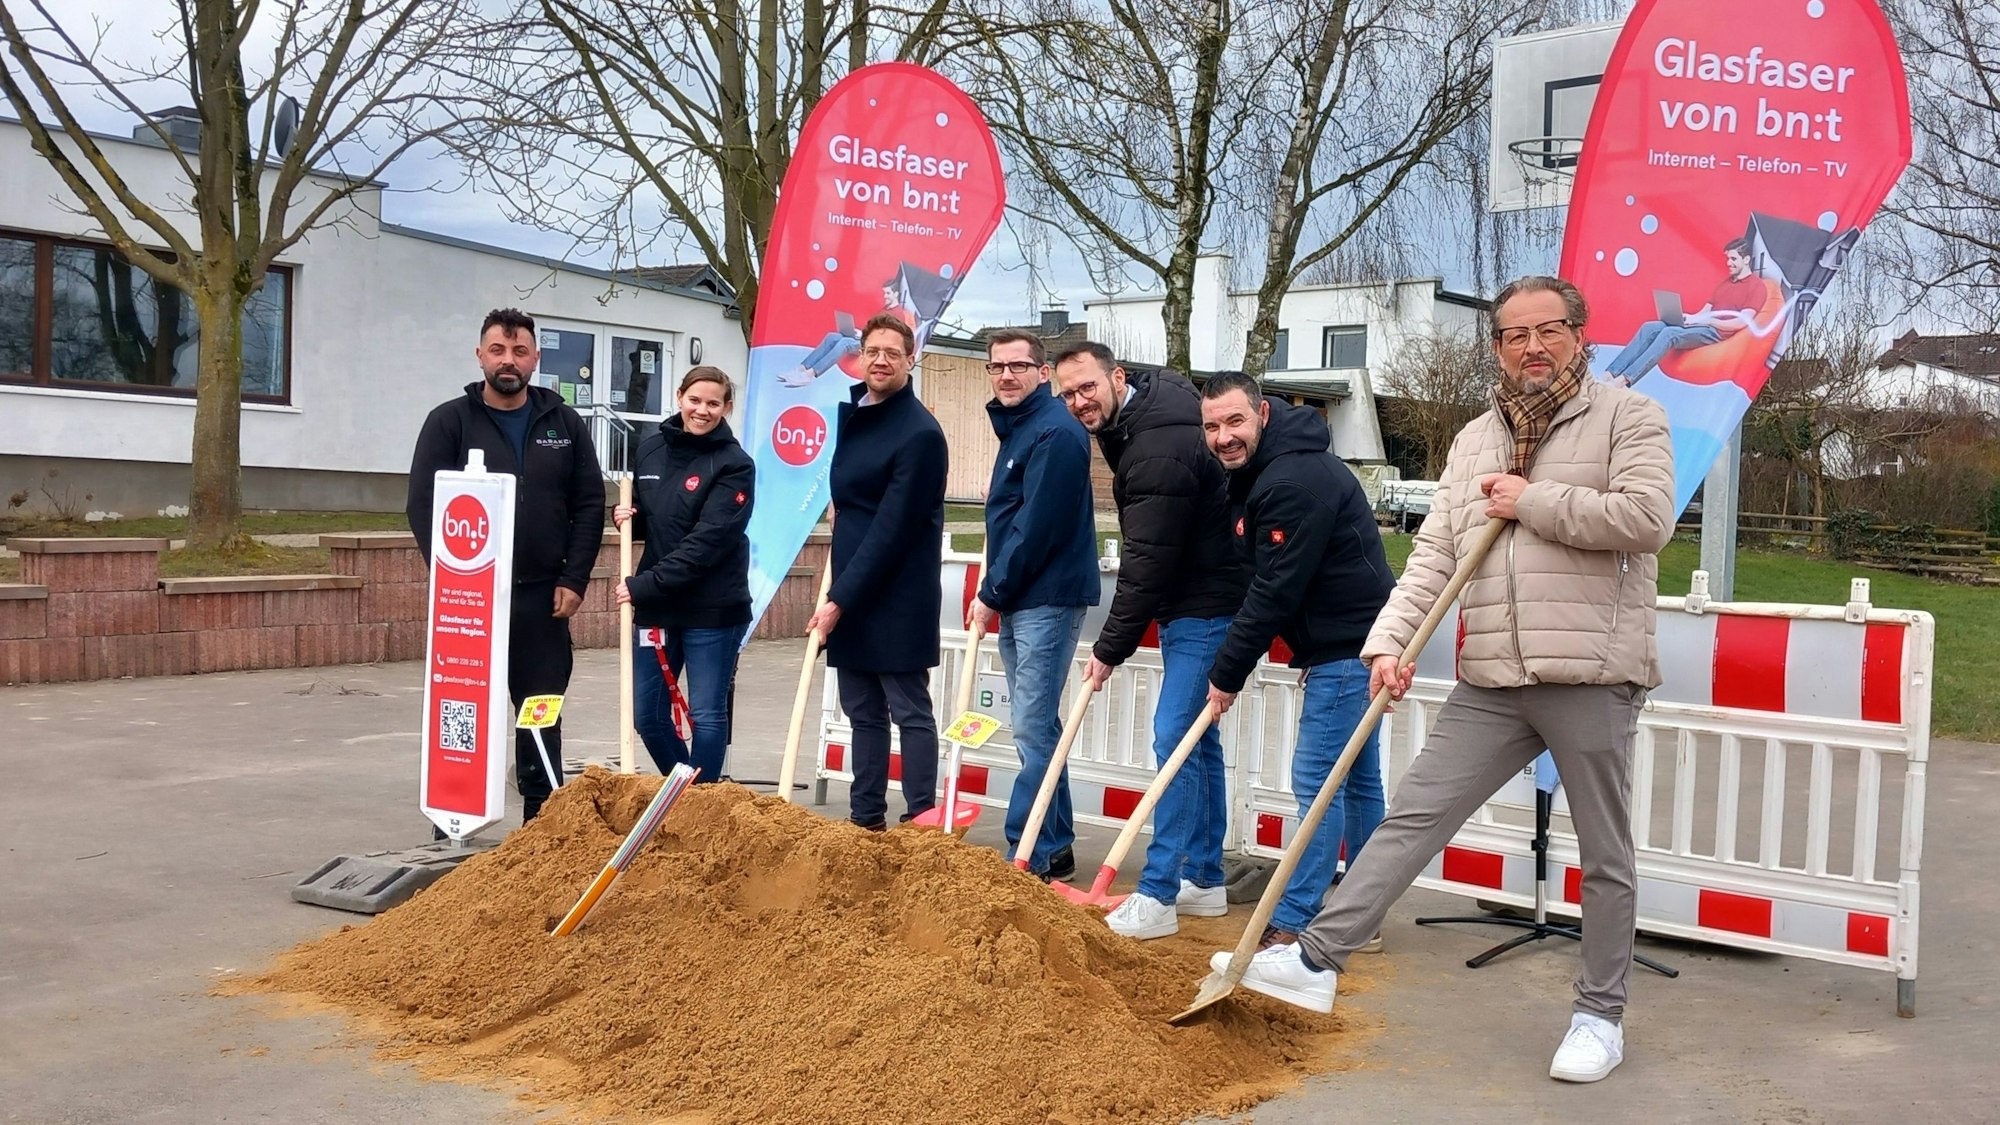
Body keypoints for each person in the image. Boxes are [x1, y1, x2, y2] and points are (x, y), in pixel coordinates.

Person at [1215, 276, 1675, 1086]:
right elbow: (1435, 554)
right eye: (1514, 335)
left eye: (1549, 330)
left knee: (1604, 853)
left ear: (1579, 332)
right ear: (1495, 347)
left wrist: (1534, 499)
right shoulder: (1472, 440)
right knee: (1412, 818)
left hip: (1591, 671)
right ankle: (1320, 958)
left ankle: (1599, 1016)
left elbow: (1646, 519)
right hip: (1492, 671)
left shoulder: (1628, 416)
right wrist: (1387, 642)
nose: (1532, 347)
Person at [1195, 371, 1396, 951]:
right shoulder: (1271, 469)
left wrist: (1226, 674)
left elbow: (1273, 589)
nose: (1223, 437)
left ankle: (1295, 918)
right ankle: (1362, 915)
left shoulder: (1292, 481)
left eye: (1234, 421)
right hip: (1352, 642)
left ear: (1261, 413)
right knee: (1356, 782)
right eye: (1212, 426)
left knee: (1318, 784)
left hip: (1348, 648)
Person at [1054, 344, 1248, 936]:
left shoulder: (1154, 449)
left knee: (1173, 738)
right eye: (1067, 394)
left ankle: (1160, 894)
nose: (1078, 402)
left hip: (1205, 605)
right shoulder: (1149, 409)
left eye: (1087, 388)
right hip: (1202, 596)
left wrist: (1109, 648)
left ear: (1116, 377)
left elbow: (1146, 563)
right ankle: (1205, 879)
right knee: (1196, 743)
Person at [407, 307, 605, 823]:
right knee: (464, 708)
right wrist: (452, 581)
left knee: (540, 707)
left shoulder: (564, 423)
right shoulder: (449, 422)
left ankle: (541, 817)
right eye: (498, 350)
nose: (508, 360)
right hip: (471, 601)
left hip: (542, 599)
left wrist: (575, 578)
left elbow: (589, 505)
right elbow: (422, 506)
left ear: (536, 358)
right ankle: (455, 814)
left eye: (519, 351)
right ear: (480, 356)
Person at [806, 311, 950, 830]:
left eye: (893, 352)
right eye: (873, 351)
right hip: (854, 583)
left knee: (908, 708)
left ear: (912, 359)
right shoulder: (857, 413)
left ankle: (920, 822)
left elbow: (893, 529)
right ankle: (865, 820)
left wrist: (837, 602)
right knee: (861, 710)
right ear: (860, 356)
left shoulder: (920, 434)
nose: (882, 360)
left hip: (896, 591)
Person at [969, 329, 1100, 880]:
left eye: (1018, 366)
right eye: (997, 367)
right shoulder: (1022, 429)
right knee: (1038, 724)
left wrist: (989, 593)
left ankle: (1026, 853)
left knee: (1028, 726)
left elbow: (1036, 528)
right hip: (1023, 595)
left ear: (1041, 373)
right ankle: (1055, 845)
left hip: (1043, 597)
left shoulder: (1055, 433)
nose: (1006, 375)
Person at [611, 366, 754, 784]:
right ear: (679, 397)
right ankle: (686, 795)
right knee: (648, 715)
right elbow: (654, 517)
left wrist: (643, 585)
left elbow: (708, 541)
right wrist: (628, 519)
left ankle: (703, 807)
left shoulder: (734, 465)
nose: (702, 410)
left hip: (713, 609)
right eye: (695, 400)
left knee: (707, 716)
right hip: (659, 607)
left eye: (713, 403)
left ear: (726, 407)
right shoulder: (653, 448)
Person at [1607, 238, 1768, 387]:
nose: (1728, 263)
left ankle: (1625, 379)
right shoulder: (1726, 284)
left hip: (1718, 333)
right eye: (1728, 258)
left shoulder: (1756, 287)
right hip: (1704, 326)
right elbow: (1705, 311)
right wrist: (1689, 318)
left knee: (1669, 333)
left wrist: (1708, 320)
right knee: (1650, 327)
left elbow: (1741, 323)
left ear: (1746, 260)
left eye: (1733, 259)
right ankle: (1610, 373)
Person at [780, 277, 917, 387]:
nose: (885, 296)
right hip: (865, 337)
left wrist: (864, 336)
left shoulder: (898, 314)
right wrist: (859, 332)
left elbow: (884, 337)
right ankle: (801, 368)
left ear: (896, 294)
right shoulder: (885, 309)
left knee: (844, 343)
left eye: (887, 293)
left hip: (872, 344)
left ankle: (810, 374)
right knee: (832, 337)